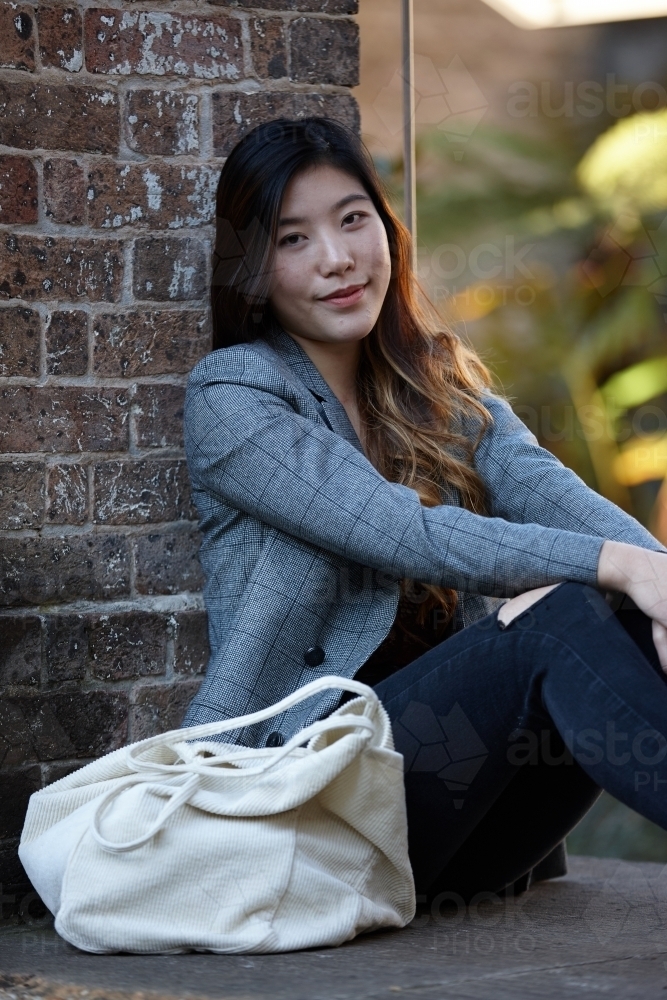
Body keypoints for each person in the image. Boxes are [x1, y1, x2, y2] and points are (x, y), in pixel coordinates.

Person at [182, 116, 667, 903]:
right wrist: (622, 567)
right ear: (252, 269)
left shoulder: (436, 387)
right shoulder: (235, 399)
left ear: (386, 229)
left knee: (628, 602)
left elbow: (564, 503)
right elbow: (400, 532)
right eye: (292, 238)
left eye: (351, 220)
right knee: (563, 613)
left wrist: (656, 583)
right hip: (307, 815)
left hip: (463, 822)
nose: (336, 259)